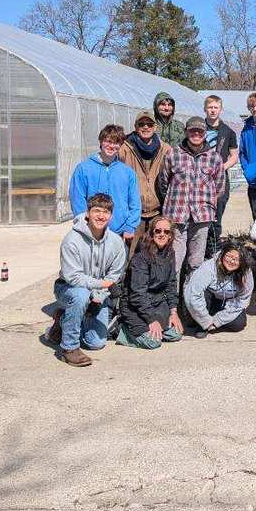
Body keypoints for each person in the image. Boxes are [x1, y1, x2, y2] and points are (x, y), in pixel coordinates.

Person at [53, 193, 127, 367]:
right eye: (97, 211)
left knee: (96, 343)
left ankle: (63, 321)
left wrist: (98, 298)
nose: (101, 216)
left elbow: (114, 276)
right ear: (87, 212)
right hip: (68, 288)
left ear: (111, 216)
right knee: (80, 296)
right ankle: (69, 348)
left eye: (106, 212)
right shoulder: (72, 240)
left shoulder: (116, 243)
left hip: (98, 293)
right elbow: (73, 277)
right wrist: (100, 286)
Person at [157, 116, 225, 281]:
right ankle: (173, 302)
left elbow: (220, 187)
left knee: (196, 262)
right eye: (192, 130)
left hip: (202, 217)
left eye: (200, 131)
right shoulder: (173, 154)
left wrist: (207, 203)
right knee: (174, 261)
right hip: (176, 216)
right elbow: (163, 182)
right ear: (186, 132)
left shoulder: (214, 158)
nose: (196, 134)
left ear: (205, 133)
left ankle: (190, 301)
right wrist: (174, 201)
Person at [117, 217, 183, 349]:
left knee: (175, 334)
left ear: (170, 235)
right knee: (153, 342)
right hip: (134, 305)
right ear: (152, 233)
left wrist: (173, 312)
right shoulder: (141, 257)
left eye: (166, 232)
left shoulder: (170, 253)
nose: (162, 234)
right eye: (158, 231)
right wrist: (151, 319)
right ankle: (122, 330)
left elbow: (171, 284)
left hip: (156, 303)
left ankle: (148, 329)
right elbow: (137, 294)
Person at [69, 124, 141, 245]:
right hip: (91, 231)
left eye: (116, 143)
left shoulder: (128, 172)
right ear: (101, 141)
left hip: (119, 232)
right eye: (108, 141)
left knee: (118, 263)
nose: (111, 146)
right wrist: (84, 223)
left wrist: (130, 227)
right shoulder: (84, 169)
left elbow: (135, 202)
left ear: (121, 145)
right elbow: (77, 199)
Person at [118, 110, 170, 253]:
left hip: (157, 212)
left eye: (149, 124)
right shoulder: (124, 149)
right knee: (130, 254)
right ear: (136, 126)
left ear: (155, 127)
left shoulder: (165, 149)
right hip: (133, 214)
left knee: (154, 253)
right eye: (142, 124)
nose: (145, 127)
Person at [183, 241, 253, 337]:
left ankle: (212, 322)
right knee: (197, 313)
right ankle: (201, 324)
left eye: (236, 259)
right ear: (223, 254)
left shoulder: (246, 272)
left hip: (227, 301)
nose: (231, 261)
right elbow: (192, 294)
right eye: (228, 256)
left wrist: (217, 321)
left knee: (238, 324)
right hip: (207, 300)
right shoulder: (208, 267)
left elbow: (242, 299)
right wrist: (205, 321)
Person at [203, 95, 239, 250]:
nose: (212, 110)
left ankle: (213, 249)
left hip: (220, 180)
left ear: (220, 109)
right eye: (210, 107)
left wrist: (221, 168)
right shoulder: (198, 129)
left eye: (215, 107)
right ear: (205, 109)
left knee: (217, 215)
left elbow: (234, 156)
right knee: (201, 216)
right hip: (201, 179)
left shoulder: (228, 132)